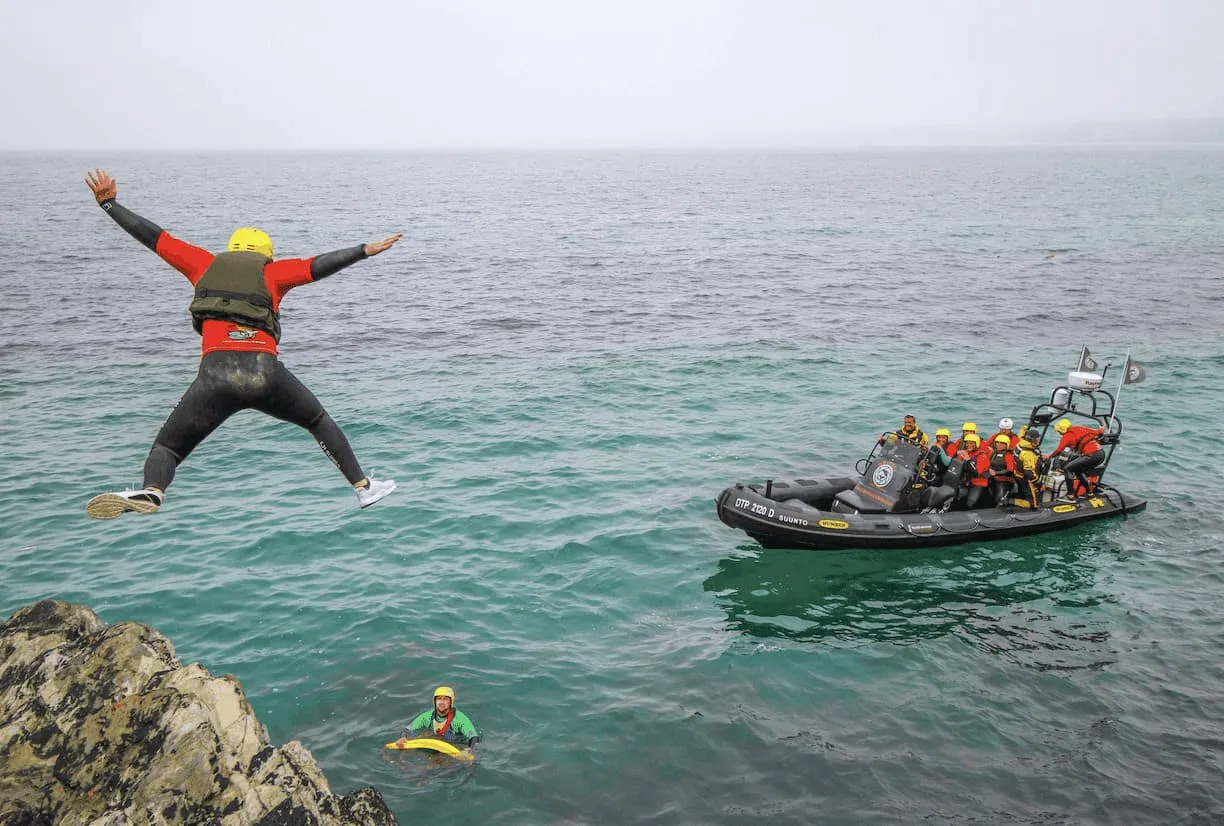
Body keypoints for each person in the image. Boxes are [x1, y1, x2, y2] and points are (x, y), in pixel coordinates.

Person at [83, 168, 400, 519]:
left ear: (231, 249)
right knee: (317, 420)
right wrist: (363, 250)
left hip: (216, 377)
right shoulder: (273, 272)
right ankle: (363, 488)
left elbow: (154, 237)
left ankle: (153, 490)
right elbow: (318, 266)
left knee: (168, 447)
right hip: (265, 374)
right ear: (266, 254)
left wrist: (109, 205)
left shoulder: (201, 264)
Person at [397, 686, 480, 749]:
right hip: (433, 745)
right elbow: (407, 729)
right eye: (439, 699)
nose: (441, 702)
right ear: (435, 701)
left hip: (453, 746)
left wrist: (469, 751)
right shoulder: (427, 717)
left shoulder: (460, 719)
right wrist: (403, 737)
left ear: (451, 702)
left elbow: (474, 737)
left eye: (445, 699)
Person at [1046, 418, 1107, 497]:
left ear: (1062, 430)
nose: (1059, 433)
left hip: (1092, 455)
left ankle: (1070, 494)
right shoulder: (1080, 428)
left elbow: (1059, 450)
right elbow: (1098, 432)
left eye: (1059, 431)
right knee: (1077, 470)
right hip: (1101, 454)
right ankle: (1089, 492)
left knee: (1067, 468)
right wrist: (1102, 428)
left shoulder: (1067, 436)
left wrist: (1049, 457)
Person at [1013, 428, 1043, 508]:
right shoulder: (1027, 453)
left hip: (1018, 476)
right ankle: (1010, 501)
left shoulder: (1021, 442)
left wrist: (1025, 427)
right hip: (1027, 479)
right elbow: (1028, 472)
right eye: (1037, 439)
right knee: (1034, 504)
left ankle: (1019, 500)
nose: (1038, 440)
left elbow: (1021, 434)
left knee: (1023, 493)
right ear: (1033, 440)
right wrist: (1038, 482)